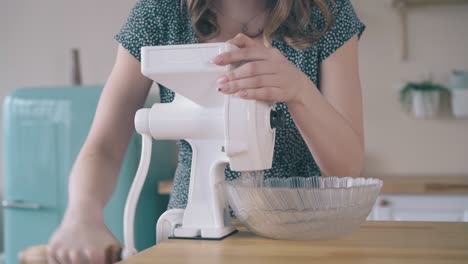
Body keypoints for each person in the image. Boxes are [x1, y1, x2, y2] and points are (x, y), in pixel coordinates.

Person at [47, 0, 365, 263]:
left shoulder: (326, 12)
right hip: (193, 230)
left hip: (302, 230)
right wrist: (82, 215)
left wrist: (299, 90)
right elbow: (104, 146)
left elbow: (347, 167)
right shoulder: (158, 14)